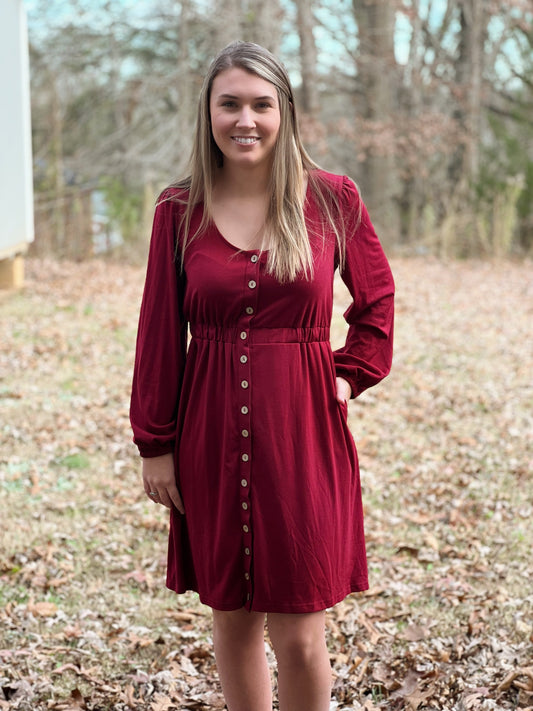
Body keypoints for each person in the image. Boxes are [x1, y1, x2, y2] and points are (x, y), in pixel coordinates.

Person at [130, 40, 394, 711]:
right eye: (229, 104)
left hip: (302, 430)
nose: (244, 119)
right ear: (208, 114)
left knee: (301, 630)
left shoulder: (331, 199)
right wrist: (154, 442)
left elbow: (376, 302)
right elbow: (160, 331)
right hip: (208, 431)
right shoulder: (177, 209)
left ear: (284, 113)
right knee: (234, 617)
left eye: (260, 104)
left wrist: (347, 374)